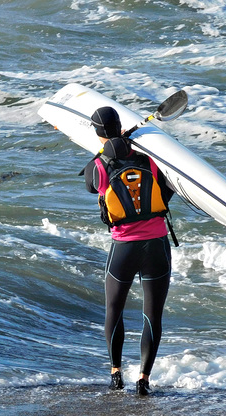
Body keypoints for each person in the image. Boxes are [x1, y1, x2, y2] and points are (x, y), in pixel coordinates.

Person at [81, 106, 174, 396]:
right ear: (121, 126)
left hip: (124, 248)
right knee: (152, 316)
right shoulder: (150, 160)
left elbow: (90, 185)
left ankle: (116, 374)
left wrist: (107, 151)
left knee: (114, 310)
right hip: (157, 246)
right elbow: (168, 191)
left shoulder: (97, 166)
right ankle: (144, 379)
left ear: (97, 133)